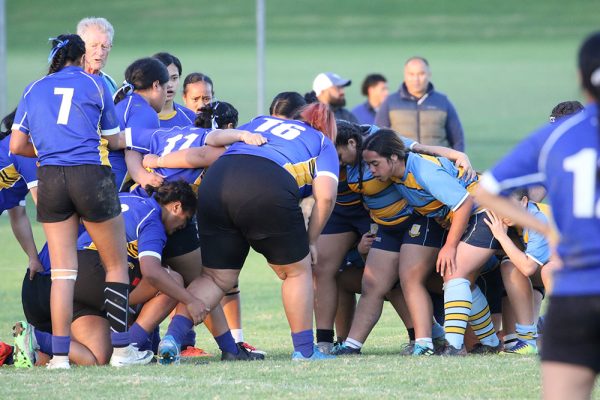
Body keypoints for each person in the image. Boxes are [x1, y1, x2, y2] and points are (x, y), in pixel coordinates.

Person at [151, 102, 339, 361]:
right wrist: (312, 240)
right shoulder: (322, 141)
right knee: (296, 271)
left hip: (216, 181)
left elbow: (213, 143)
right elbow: (326, 198)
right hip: (267, 182)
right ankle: (305, 351)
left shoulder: (261, 121)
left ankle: (173, 336)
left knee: (216, 278)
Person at [9, 34, 150, 369]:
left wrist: (45, 155)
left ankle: (59, 357)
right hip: (90, 176)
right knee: (115, 264)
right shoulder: (95, 84)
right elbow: (113, 139)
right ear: (81, 56)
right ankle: (122, 352)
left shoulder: (33, 87)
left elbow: (16, 145)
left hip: (52, 179)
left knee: (62, 273)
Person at [475, 31, 600, 400]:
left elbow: (486, 190)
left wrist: (541, 225)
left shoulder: (556, 137)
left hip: (576, 291)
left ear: (580, 77)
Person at [13, 182, 198, 366]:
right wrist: (191, 300)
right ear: (176, 206)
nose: (182, 227)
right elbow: (152, 272)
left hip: (67, 279)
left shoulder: (123, 197)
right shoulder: (152, 219)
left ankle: (35, 340)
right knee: (172, 280)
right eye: (186, 219)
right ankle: (128, 347)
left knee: (96, 358)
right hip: (92, 270)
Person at [358, 130, 503, 356]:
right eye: (368, 164)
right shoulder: (397, 163)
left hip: (484, 211)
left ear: (393, 158)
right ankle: (491, 343)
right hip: (470, 216)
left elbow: (465, 204)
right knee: (461, 280)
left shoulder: (424, 171)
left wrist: (450, 246)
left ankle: (454, 347)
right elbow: (415, 144)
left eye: (375, 164)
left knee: (455, 274)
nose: (371, 170)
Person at [375, 57, 465, 151]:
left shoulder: (443, 102)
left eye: (421, 74)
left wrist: (456, 163)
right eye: (411, 74)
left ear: (429, 75)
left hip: (436, 164)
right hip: (403, 163)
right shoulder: (390, 102)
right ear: (405, 75)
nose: (416, 79)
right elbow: (378, 137)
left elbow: (458, 140)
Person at [113, 57, 168, 191]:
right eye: (165, 88)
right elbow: (132, 152)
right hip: (111, 185)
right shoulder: (145, 112)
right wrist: (145, 178)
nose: (166, 95)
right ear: (156, 85)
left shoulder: (121, 102)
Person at [152, 52, 197, 128]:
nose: (169, 84)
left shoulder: (191, 118)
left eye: (174, 78)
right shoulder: (137, 118)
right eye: (164, 78)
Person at [76, 17, 118, 94]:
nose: (100, 52)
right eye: (94, 45)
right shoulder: (68, 81)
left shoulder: (110, 84)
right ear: (81, 47)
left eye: (104, 46)